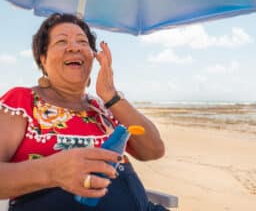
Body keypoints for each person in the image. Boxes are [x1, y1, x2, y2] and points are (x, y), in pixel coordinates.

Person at [0, 13, 166, 211]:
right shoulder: (22, 101)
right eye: (62, 41)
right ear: (42, 59)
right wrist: (51, 171)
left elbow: (153, 150)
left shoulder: (103, 108)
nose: (74, 47)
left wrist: (111, 95)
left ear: (92, 56)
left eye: (82, 42)